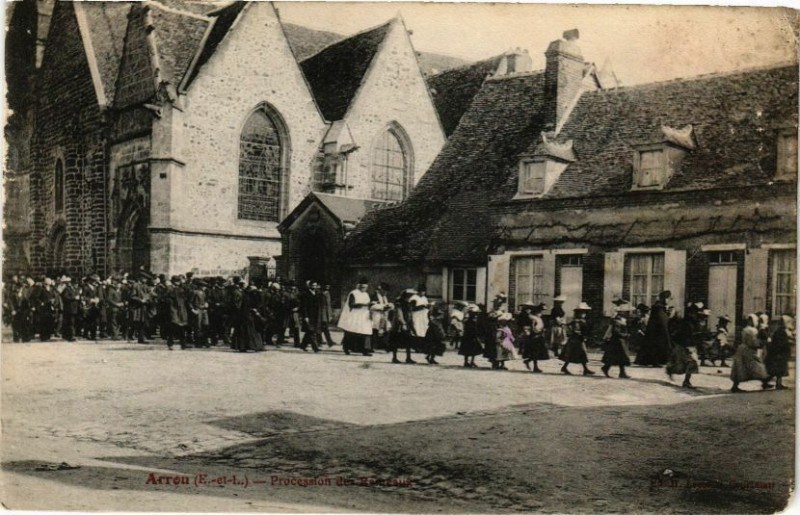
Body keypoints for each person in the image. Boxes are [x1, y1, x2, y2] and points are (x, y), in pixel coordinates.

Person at [730, 314, 773, 393]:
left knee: (740, 367)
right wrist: (760, 344)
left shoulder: (745, 329)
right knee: (758, 367)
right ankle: (765, 382)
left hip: (741, 349)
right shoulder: (753, 330)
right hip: (748, 350)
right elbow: (753, 342)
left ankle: (735, 386)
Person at [665, 304, 699, 389]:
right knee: (687, 363)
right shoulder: (686, 323)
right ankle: (682, 379)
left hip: (688, 345)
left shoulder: (693, 322)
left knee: (690, 363)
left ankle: (686, 381)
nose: (695, 314)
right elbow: (684, 335)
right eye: (694, 312)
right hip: (684, 345)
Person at [636, 290, 673, 366]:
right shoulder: (658, 307)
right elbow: (661, 320)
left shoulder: (660, 307)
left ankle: (656, 361)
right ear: (665, 298)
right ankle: (655, 361)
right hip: (656, 332)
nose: (669, 301)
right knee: (656, 346)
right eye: (669, 298)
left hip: (657, 331)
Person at [339, 278, 373, 356]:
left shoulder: (366, 294)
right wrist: (363, 305)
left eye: (365, 287)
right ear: (359, 286)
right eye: (362, 287)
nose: (364, 289)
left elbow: (368, 304)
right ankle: (347, 348)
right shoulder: (354, 293)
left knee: (365, 332)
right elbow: (351, 304)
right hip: (355, 315)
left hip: (364, 316)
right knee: (352, 332)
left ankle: (365, 350)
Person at [560, 302, 595, 376]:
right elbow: (576, 330)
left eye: (585, 312)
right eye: (582, 312)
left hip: (577, 340)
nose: (584, 314)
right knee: (580, 353)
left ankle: (584, 369)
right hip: (576, 340)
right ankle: (584, 369)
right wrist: (582, 335)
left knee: (577, 354)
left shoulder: (580, 321)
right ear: (578, 313)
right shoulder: (577, 321)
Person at [765, 315, 793, 390]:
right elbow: (781, 343)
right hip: (779, 353)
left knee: (778, 370)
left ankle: (777, 383)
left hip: (778, 352)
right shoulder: (781, 332)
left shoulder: (779, 331)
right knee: (778, 370)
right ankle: (776, 383)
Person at [388, 289, 416, 364]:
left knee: (408, 341)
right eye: (409, 296)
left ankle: (408, 357)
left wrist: (411, 325)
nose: (410, 297)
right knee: (396, 341)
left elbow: (410, 315)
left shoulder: (408, 303)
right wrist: (403, 323)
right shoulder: (399, 303)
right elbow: (399, 314)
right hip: (399, 325)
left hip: (407, 323)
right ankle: (394, 357)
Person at [601, 314, 631, 378]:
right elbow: (615, 332)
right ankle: (607, 368)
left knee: (619, 357)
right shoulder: (617, 322)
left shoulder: (619, 322)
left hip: (619, 342)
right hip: (617, 343)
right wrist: (625, 335)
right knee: (618, 357)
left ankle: (621, 372)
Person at [522, 303, 549, 373]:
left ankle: (528, 361)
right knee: (535, 352)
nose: (540, 313)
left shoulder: (538, 318)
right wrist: (536, 331)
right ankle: (535, 367)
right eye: (539, 312)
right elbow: (532, 327)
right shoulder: (533, 318)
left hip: (539, 336)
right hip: (534, 336)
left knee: (538, 352)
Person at [166, 275, 189, 350]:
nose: (178, 282)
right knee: (173, 326)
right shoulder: (170, 288)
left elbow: (185, 297)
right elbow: (166, 298)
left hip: (181, 309)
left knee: (182, 327)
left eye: (179, 281)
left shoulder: (181, 288)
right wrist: (171, 306)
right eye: (177, 281)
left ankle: (183, 343)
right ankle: (170, 343)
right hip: (174, 309)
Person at [300, 281, 323, 353]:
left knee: (309, 332)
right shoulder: (306, 295)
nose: (314, 287)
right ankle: (315, 348)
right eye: (313, 285)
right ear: (310, 286)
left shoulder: (316, 294)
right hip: (309, 315)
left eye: (315, 285)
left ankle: (303, 345)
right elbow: (304, 307)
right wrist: (305, 316)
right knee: (311, 331)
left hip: (315, 316)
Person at [370, 283, 392, 351]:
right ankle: (372, 346)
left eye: (386, 291)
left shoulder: (384, 297)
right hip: (376, 314)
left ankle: (384, 345)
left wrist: (389, 306)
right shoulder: (374, 296)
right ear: (381, 290)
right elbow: (372, 306)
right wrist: (383, 307)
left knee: (386, 329)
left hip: (383, 315)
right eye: (384, 291)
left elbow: (386, 305)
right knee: (375, 329)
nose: (385, 293)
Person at [409, 286, 430, 353]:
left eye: (424, 292)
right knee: (417, 330)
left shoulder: (424, 298)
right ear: (419, 291)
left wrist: (428, 306)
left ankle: (422, 346)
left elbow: (426, 306)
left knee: (423, 331)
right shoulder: (414, 298)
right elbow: (412, 308)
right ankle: (416, 347)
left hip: (423, 316)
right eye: (422, 292)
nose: (423, 293)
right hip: (417, 316)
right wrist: (422, 306)